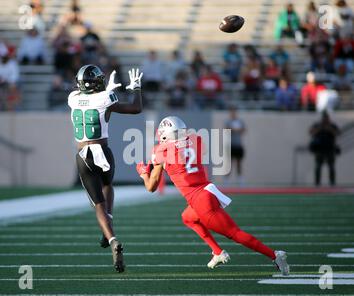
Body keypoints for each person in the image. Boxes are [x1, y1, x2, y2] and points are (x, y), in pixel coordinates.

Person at [136, 116, 289, 275]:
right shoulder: (196, 140)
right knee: (187, 217)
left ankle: (274, 255)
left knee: (235, 233)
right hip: (207, 190)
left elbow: (150, 187)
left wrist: (143, 173)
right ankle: (217, 252)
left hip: (200, 200)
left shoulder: (160, 151)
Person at [68, 65, 143, 272]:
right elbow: (136, 108)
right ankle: (109, 222)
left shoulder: (73, 98)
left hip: (84, 156)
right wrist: (135, 87)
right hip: (103, 151)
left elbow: (88, 97)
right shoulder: (105, 98)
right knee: (108, 185)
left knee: (97, 204)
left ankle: (111, 239)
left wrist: (105, 92)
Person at [309, 111, 341, 186]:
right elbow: (311, 132)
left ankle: (332, 183)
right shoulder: (317, 125)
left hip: (330, 149)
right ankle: (317, 184)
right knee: (318, 167)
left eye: (326, 118)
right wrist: (320, 128)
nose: (325, 120)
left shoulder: (332, 125)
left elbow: (338, 133)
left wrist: (329, 129)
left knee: (331, 167)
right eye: (324, 118)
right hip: (319, 149)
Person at [225, 110, 246, 183]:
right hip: (231, 145)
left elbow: (243, 130)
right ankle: (226, 181)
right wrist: (234, 129)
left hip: (238, 145)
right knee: (229, 165)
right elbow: (227, 129)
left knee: (239, 164)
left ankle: (240, 180)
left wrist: (236, 130)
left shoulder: (240, 121)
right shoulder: (228, 122)